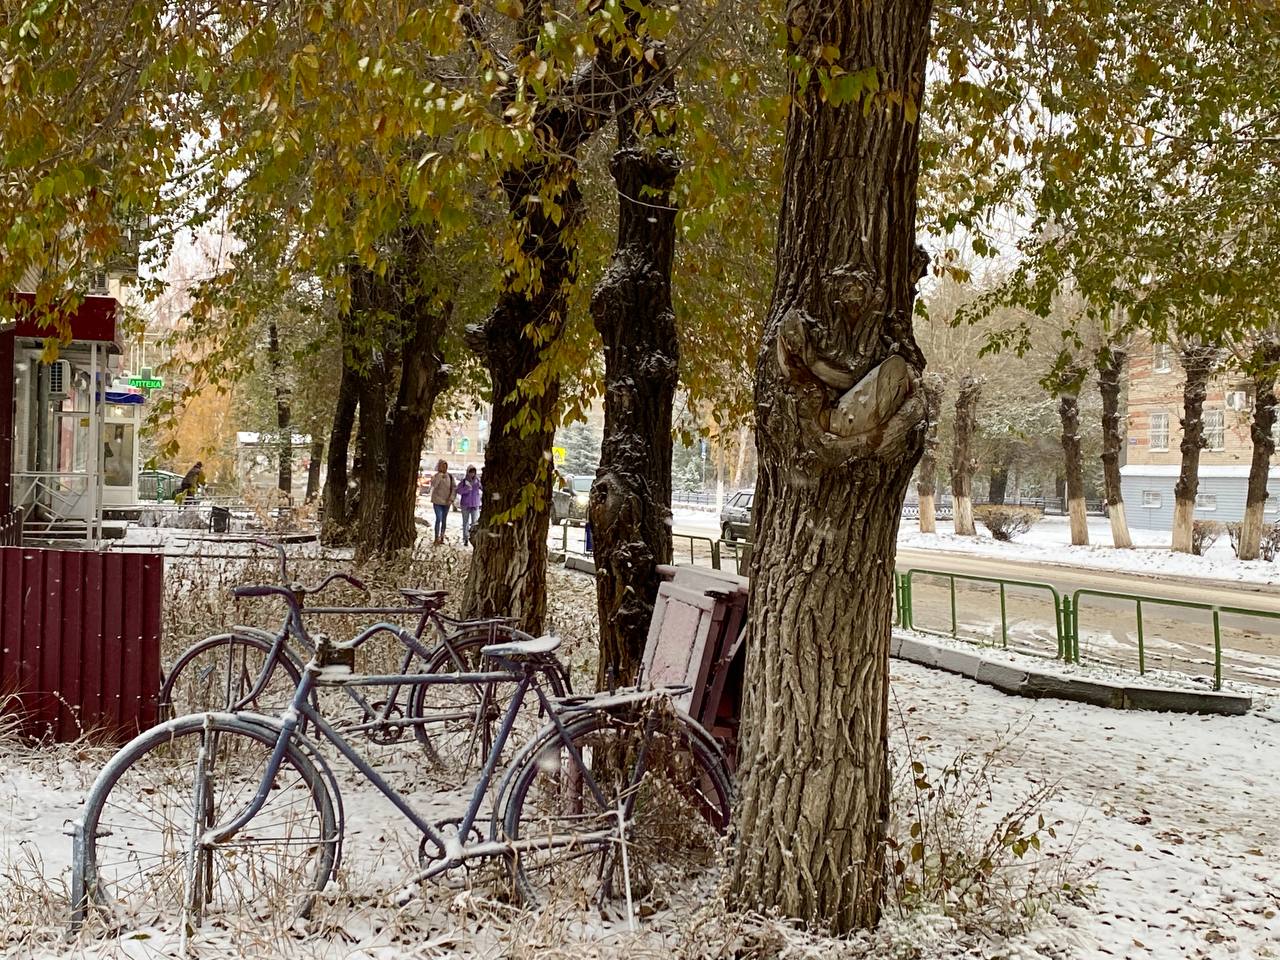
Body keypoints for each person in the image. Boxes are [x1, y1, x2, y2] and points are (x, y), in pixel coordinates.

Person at [429, 459, 456, 545]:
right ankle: (436, 537)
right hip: (437, 501)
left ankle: (442, 536)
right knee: (438, 518)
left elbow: (454, 488)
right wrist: (439, 476)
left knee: (444, 520)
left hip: (446, 502)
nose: (444, 468)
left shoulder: (450, 477)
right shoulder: (436, 476)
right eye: (442, 466)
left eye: (445, 466)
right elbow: (434, 485)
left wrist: (451, 499)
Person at [457, 465, 482, 547]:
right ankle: (465, 538)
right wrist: (466, 489)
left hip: (475, 504)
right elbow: (458, 490)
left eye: (473, 472)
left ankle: (473, 538)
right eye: (471, 472)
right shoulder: (464, 482)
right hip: (465, 505)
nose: (472, 474)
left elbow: (482, 488)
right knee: (465, 522)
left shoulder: (477, 481)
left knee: (474, 523)